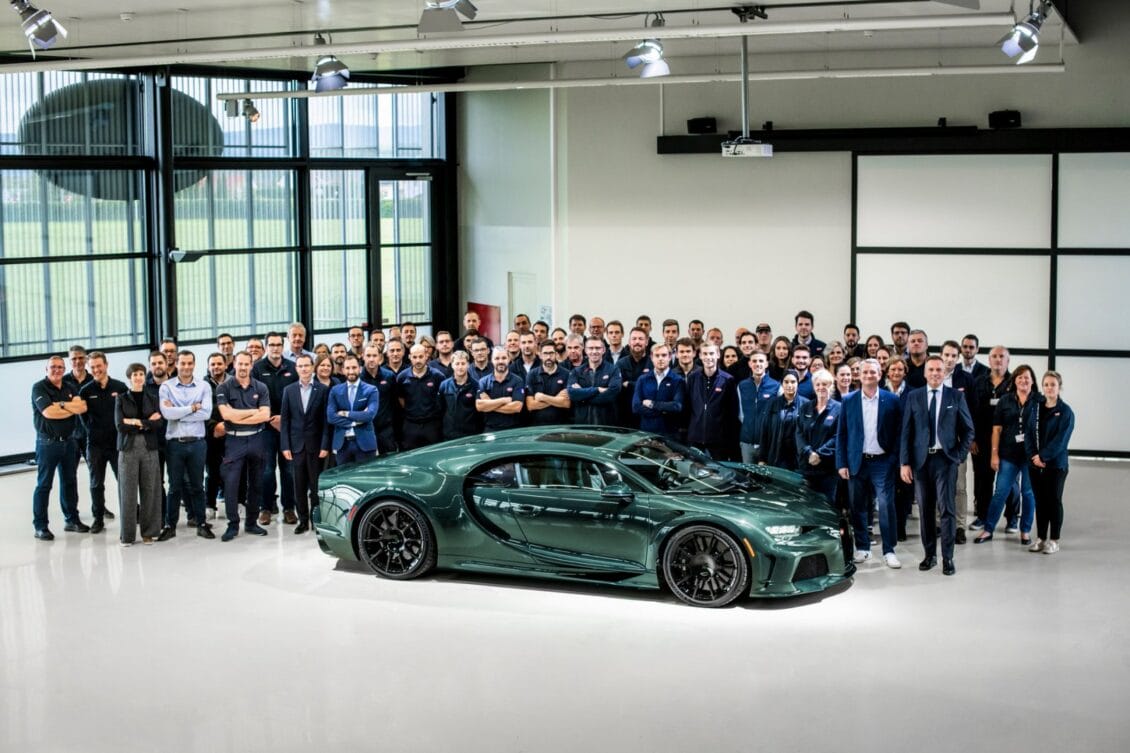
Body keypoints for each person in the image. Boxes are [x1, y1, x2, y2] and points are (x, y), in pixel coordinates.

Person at [901, 355, 974, 576]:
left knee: (947, 509)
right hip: (921, 462)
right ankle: (930, 555)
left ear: (944, 373)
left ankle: (948, 558)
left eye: (939, 370)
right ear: (925, 373)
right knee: (925, 510)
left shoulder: (956, 396)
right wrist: (904, 463)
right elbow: (906, 432)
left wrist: (958, 456)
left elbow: (968, 430)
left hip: (946, 460)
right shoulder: (914, 396)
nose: (934, 373)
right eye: (931, 369)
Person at [836, 358, 903, 568]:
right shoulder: (849, 400)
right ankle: (863, 548)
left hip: (882, 462)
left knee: (885, 505)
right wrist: (842, 463)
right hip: (857, 462)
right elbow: (842, 434)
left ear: (880, 375)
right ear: (859, 375)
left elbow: (899, 433)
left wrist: (894, 459)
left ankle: (889, 550)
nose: (868, 375)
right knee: (857, 507)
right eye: (864, 372)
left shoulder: (892, 400)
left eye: (872, 372)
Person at [975, 364, 1039, 545]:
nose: (1023, 380)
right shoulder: (1005, 400)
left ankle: (1025, 531)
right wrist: (994, 454)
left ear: (1032, 381)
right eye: (1020, 377)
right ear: (1014, 380)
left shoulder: (1039, 401)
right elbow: (996, 430)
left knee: (1028, 493)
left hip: (1031, 457)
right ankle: (988, 529)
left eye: (1027, 377)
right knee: (1000, 492)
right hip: (1008, 455)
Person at [215, 351, 272, 541]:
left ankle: (251, 523)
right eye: (240, 364)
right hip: (234, 441)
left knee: (256, 483)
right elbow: (226, 415)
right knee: (231, 484)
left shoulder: (261, 387)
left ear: (251, 365)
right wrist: (254, 411)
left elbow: (265, 415)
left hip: (257, 439)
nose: (243, 367)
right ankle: (233, 525)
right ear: (234, 364)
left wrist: (238, 415)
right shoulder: (224, 387)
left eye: (247, 364)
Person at [158, 350, 214, 540]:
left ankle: (201, 524)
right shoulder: (166, 386)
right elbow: (167, 414)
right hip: (175, 444)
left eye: (190, 363)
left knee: (197, 486)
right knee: (174, 487)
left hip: (197, 444)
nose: (186, 367)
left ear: (194, 364)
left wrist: (178, 412)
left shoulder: (204, 386)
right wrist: (192, 407)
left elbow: (206, 414)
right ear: (176, 364)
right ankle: (170, 526)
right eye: (183, 363)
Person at [31, 355, 88, 539]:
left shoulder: (70, 387)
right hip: (48, 443)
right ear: (46, 369)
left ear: (64, 369)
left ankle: (72, 520)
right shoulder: (39, 387)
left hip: (69, 442)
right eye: (53, 367)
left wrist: (61, 405)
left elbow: (81, 408)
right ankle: (40, 527)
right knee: (44, 485)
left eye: (60, 367)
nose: (56, 370)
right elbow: (48, 412)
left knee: (70, 482)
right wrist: (69, 407)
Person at [280, 354, 332, 534]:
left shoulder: (322, 390)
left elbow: (326, 421)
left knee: (316, 486)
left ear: (312, 368)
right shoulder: (289, 390)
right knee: (299, 486)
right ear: (296, 369)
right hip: (296, 447)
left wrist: (325, 445)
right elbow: (285, 420)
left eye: (306, 366)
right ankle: (303, 521)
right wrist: (285, 445)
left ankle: (316, 520)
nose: (303, 369)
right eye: (300, 366)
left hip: (316, 446)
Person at [252, 332, 298, 526]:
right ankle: (266, 508)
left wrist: (284, 420)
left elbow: (297, 397)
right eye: (271, 345)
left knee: (288, 470)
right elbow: (254, 398)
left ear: (283, 346)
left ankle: (289, 508)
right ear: (266, 347)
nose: (275, 348)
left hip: (288, 427)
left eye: (278, 344)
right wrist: (271, 418)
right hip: (265, 427)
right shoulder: (257, 368)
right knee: (267, 470)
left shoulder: (293, 367)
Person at [1026, 371, 1075, 555]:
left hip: (1055, 465)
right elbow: (1029, 434)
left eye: (1053, 384)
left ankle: (1054, 540)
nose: (1049, 388)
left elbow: (1061, 441)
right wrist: (1033, 456)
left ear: (1059, 387)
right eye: (1046, 384)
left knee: (1053, 501)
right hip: (1035, 464)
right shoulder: (1036, 408)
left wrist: (1043, 457)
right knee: (1040, 502)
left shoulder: (1066, 412)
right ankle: (1041, 538)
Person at [78, 351, 126, 532]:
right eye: (92, 367)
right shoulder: (85, 391)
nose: (96, 370)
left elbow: (126, 412)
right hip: (95, 445)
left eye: (99, 366)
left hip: (117, 444)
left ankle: (130, 513)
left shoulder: (120, 387)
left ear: (106, 365)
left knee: (124, 481)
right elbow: (83, 419)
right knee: (96, 484)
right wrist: (94, 430)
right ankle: (98, 518)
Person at [115, 363, 162, 546]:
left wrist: (134, 421)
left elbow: (158, 423)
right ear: (129, 377)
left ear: (145, 376)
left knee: (150, 489)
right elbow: (120, 425)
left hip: (150, 447)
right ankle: (127, 535)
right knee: (127, 492)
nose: (138, 377)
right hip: (128, 448)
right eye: (134, 374)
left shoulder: (152, 397)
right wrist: (146, 422)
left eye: (141, 374)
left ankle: (149, 532)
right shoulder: (121, 399)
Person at [970, 346, 1014, 531]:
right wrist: (971, 438)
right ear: (989, 360)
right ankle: (982, 516)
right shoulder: (978, 382)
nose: (998, 359)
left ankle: (1012, 519)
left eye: (1001, 356)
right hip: (981, 440)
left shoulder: (1014, 382)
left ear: (1008, 360)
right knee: (982, 480)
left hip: (1008, 441)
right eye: (994, 356)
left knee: (1009, 482)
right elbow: (971, 411)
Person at [686, 343, 737, 460]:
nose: (708, 357)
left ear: (718, 355)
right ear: (700, 356)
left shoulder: (727, 380)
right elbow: (688, 406)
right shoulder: (693, 377)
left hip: (719, 440)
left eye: (711, 353)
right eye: (705, 353)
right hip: (695, 437)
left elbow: (732, 412)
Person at [796, 371, 840, 503]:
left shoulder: (839, 409)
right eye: (818, 384)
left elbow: (838, 436)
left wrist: (819, 454)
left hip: (828, 469)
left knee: (826, 505)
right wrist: (809, 453)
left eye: (825, 384)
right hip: (806, 467)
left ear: (831, 386)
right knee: (805, 505)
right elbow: (799, 433)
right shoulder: (805, 407)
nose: (821, 387)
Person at [327, 355, 379, 465]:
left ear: (360, 369)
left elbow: (369, 415)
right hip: (342, 445)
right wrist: (355, 422)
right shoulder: (335, 390)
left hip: (365, 444)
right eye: (348, 368)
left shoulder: (371, 390)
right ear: (343, 370)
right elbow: (331, 417)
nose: (351, 371)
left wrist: (345, 413)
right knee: (343, 476)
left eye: (354, 367)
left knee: (365, 474)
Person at [397, 344, 446, 449]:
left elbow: (443, 400)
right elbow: (401, 399)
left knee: (434, 452)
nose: (418, 360)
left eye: (420, 356)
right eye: (414, 357)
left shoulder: (438, 376)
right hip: (410, 424)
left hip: (432, 425)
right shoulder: (402, 377)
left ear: (426, 356)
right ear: (409, 357)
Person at [631, 343, 685, 439]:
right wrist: (664, 411)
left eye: (664, 355)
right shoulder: (642, 379)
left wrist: (652, 404)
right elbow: (636, 407)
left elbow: (677, 406)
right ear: (652, 357)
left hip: (669, 434)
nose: (660, 358)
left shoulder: (678, 380)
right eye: (657, 355)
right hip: (646, 434)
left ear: (669, 357)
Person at [737, 351, 780, 464]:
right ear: (749, 364)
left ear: (766, 364)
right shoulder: (742, 386)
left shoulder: (776, 386)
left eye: (761, 361)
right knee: (748, 474)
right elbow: (741, 415)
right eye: (754, 361)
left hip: (768, 443)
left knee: (767, 474)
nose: (757, 364)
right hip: (747, 442)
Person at [759, 370, 806, 470]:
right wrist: (762, 458)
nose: (789, 385)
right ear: (781, 383)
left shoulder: (806, 404)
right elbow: (765, 431)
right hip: (776, 456)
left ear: (798, 383)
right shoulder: (772, 403)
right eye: (786, 382)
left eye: (793, 382)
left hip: (797, 459)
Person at [569, 337, 622, 425]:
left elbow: (611, 394)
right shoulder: (576, 372)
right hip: (582, 425)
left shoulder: (613, 370)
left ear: (603, 350)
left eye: (597, 348)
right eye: (590, 348)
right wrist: (597, 390)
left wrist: (582, 398)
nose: (594, 351)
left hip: (607, 425)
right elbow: (572, 394)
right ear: (585, 350)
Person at [476, 346, 526, 430]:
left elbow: (517, 407)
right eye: (497, 358)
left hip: (512, 430)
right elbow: (480, 406)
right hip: (490, 430)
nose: (500, 361)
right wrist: (504, 400)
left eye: (504, 358)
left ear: (509, 359)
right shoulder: (483, 382)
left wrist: (490, 404)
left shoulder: (518, 381)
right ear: (491, 360)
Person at [203, 352, 228, 519]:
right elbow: (201, 409)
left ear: (225, 365)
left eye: (219, 364)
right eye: (212, 364)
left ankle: (235, 503)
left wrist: (229, 424)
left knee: (232, 470)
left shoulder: (233, 383)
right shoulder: (202, 385)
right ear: (208, 366)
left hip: (231, 432)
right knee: (212, 472)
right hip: (211, 434)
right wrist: (214, 426)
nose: (216, 367)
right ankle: (210, 505)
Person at [359, 344, 398, 454]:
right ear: (363, 356)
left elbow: (395, 404)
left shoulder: (389, 376)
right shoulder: (358, 379)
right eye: (368, 355)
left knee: (389, 460)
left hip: (387, 430)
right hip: (365, 429)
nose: (371, 359)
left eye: (374, 355)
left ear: (380, 357)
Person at [525, 341, 572, 425]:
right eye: (545, 353)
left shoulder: (567, 374)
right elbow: (530, 405)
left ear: (556, 354)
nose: (548, 357)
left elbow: (566, 403)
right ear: (540, 355)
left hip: (561, 426)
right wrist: (556, 398)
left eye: (551, 353)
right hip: (537, 426)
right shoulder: (532, 374)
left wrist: (543, 397)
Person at [439, 351, 484, 439]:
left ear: (468, 365)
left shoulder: (476, 385)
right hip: (449, 435)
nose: (460, 367)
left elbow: (480, 414)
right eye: (457, 364)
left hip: (470, 435)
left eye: (463, 363)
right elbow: (441, 409)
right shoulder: (444, 385)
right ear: (452, 365)